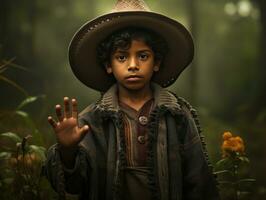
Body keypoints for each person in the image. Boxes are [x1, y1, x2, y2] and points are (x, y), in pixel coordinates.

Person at [44, 0, 220, 199]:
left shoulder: (177, 114)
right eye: (122, 57)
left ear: (157, 62)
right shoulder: (92, 121)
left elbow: (199, 180)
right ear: (108, 65)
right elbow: (75, 185)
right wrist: (68, 152)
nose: (133, 65)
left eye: (143, 56)